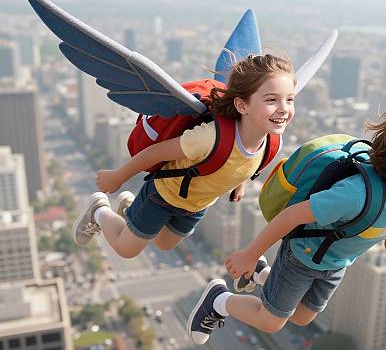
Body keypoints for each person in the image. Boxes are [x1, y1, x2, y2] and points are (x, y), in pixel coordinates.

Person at [187, 100, 386, 344]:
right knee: (271, 321)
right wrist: (250, 253)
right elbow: (290, 216)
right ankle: (219, 301)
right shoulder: (353, 196)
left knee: (303, 317)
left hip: (334, 265)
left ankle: (262, 274)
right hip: (303, 255)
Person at [72, 54, 295, 258]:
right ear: (241, 105)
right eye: (271, 100)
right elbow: (155, 152)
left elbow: (243, 160)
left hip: (197, 204)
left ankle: (130, 211)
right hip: (163, 195)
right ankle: (99, 210)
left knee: (165, 243)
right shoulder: (209, 138)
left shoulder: (271, 141)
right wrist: (118, 177)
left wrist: (240, 182)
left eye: (289, 99)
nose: (284, 108)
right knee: (126, 249)